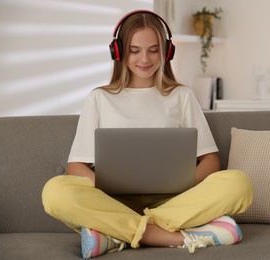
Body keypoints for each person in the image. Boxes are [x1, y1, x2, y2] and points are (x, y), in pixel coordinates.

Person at [42, 10, 253, 259]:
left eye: (153, 50)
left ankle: (116, 233)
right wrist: (107, 186)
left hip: (174, 201)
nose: (145, 59)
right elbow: (76, 167)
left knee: (239, 183)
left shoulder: (181, 96)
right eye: (134, 50)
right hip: (114, 201)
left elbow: (211, 161)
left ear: (166, 52)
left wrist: (182, 184)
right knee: (55, 192)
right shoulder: (99, 98)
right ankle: (168, 235)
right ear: (118, 52)